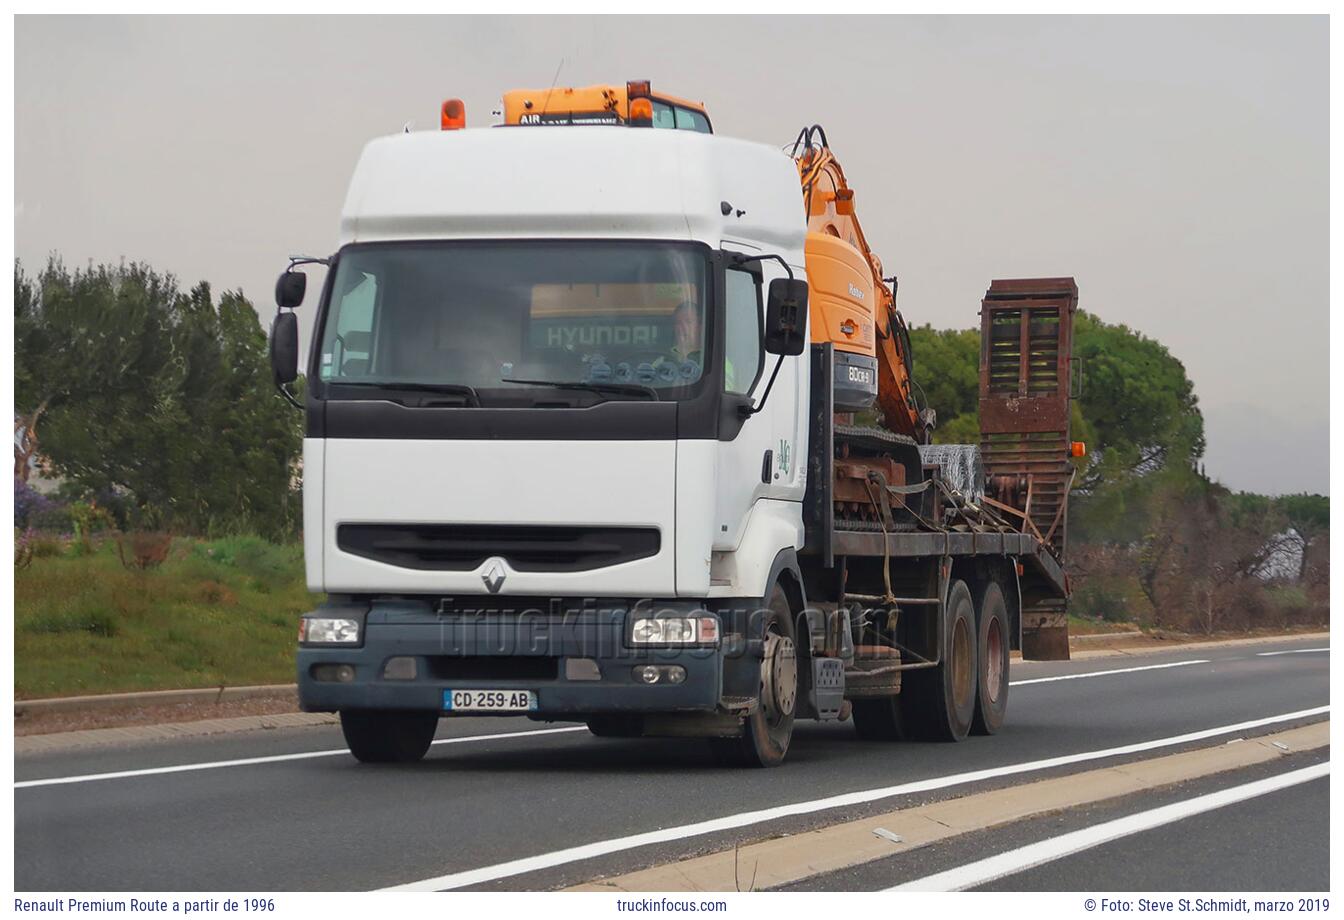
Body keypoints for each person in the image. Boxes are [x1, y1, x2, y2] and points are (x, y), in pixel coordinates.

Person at [664, 300, 735, 390]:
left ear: (700, 326)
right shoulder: (662, 360)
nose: (681, 327)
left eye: (688, 322)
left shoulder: (717, 361)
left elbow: (722, 393)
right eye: (678, 323)